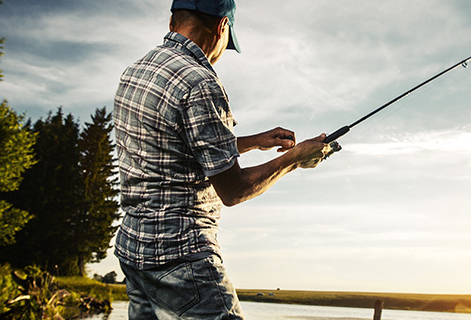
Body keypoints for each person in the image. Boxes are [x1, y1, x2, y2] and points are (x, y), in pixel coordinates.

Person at [113, 0, 333, 318]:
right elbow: (233, 190)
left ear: (174, 19)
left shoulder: (138, 70)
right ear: (221, 27)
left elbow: (177, 147)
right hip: (182, 258)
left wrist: (255, 142)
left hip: (135, 252)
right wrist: (295, 159)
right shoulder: (200, 82)